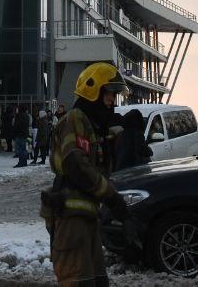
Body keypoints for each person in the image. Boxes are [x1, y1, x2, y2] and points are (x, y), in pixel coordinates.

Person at [40, 62, 130, 286]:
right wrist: (113, 199)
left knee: (97, 281)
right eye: (109, 93)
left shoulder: (92, 125)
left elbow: (97, 166)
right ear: (94, 91)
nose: (112, 100)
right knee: (79, 282)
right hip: (71, 219)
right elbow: (77, 165)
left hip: (86, 218)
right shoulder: (76, 119)